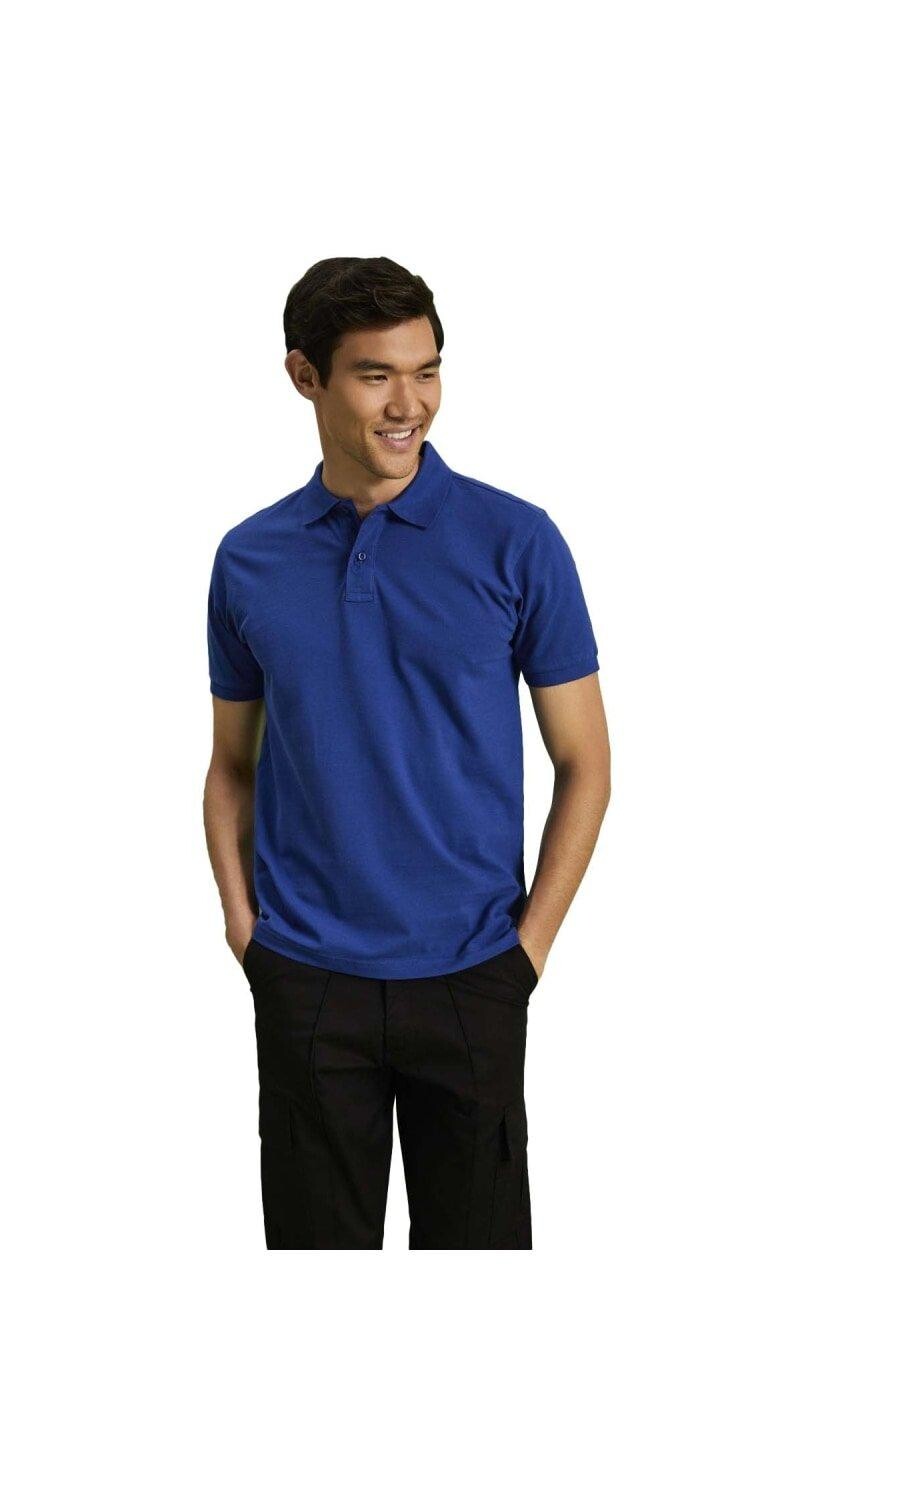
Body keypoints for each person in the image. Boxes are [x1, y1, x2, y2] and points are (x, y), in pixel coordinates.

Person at [203, 256, 611, 1249]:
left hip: (474, 971)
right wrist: (245, 931)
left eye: (426, 371)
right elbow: (231, 766)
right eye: (375, 374)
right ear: (305, 376)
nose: (409, 404)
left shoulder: (518, 541)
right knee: (313, 1272)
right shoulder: (248, 558)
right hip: (306, 975)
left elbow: (586, 764)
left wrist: (526, 952)